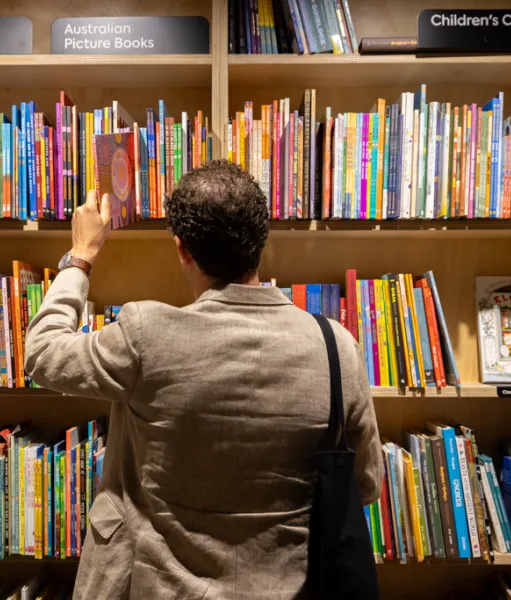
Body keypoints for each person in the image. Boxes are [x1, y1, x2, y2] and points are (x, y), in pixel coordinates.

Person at [25, 160, 383, 600]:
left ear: (182, 250)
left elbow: (42, 354)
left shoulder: (146, 335)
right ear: (261, 241)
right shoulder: (336, 348)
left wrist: (80, 255)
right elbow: (365, 483)